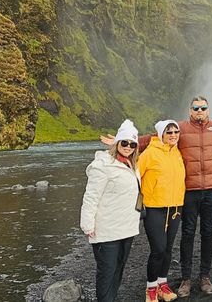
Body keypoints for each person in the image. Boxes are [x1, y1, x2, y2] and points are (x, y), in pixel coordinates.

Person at [102, 96, 212, 297]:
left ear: (208, 109)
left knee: (206, 234)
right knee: (185, 235)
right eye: (196, 107)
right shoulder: (179, 130)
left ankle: (203, 277)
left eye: (203, 107)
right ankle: (184, 279)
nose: (200, 110)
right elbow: (152, 139)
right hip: (187, 193)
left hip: (208, 191)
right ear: (190, 110)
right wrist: (122, 142)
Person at [80, 120, 142, 302]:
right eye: (124, 142)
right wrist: (87, 224)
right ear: (117, 143)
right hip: (106, 230)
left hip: (127, 228)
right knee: (106, 272)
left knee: (118, 268)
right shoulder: (102, 165)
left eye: (132, 144)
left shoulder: (133, 164)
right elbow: (91, 197)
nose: (128, 147)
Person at [139, 120, 186, 302]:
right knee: (157, 249)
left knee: (167, 249)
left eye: (176, 131)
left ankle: (162, 284)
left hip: (174, 208)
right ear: (161, 134)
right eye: (169, 132)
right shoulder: (149, 154)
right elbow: (135, 176)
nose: (173, 135)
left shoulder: (177, 153)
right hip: (154, 208)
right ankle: (151, 288)